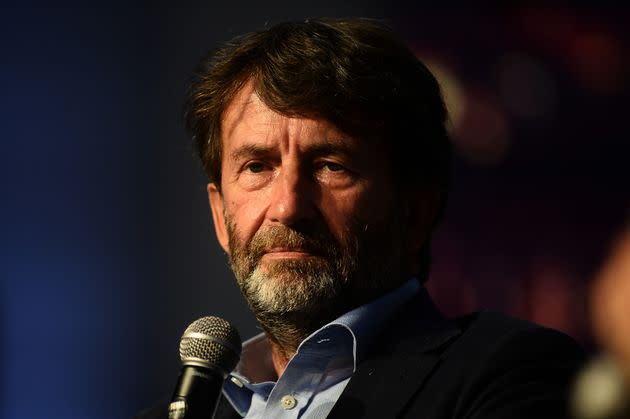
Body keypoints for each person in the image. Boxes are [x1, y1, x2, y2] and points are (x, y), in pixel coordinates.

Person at [137, 18, 585, 418]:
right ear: (220, 216)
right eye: (257, 167)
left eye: (331, 165)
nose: (287, 206)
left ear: (416, 208)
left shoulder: (507, 373)